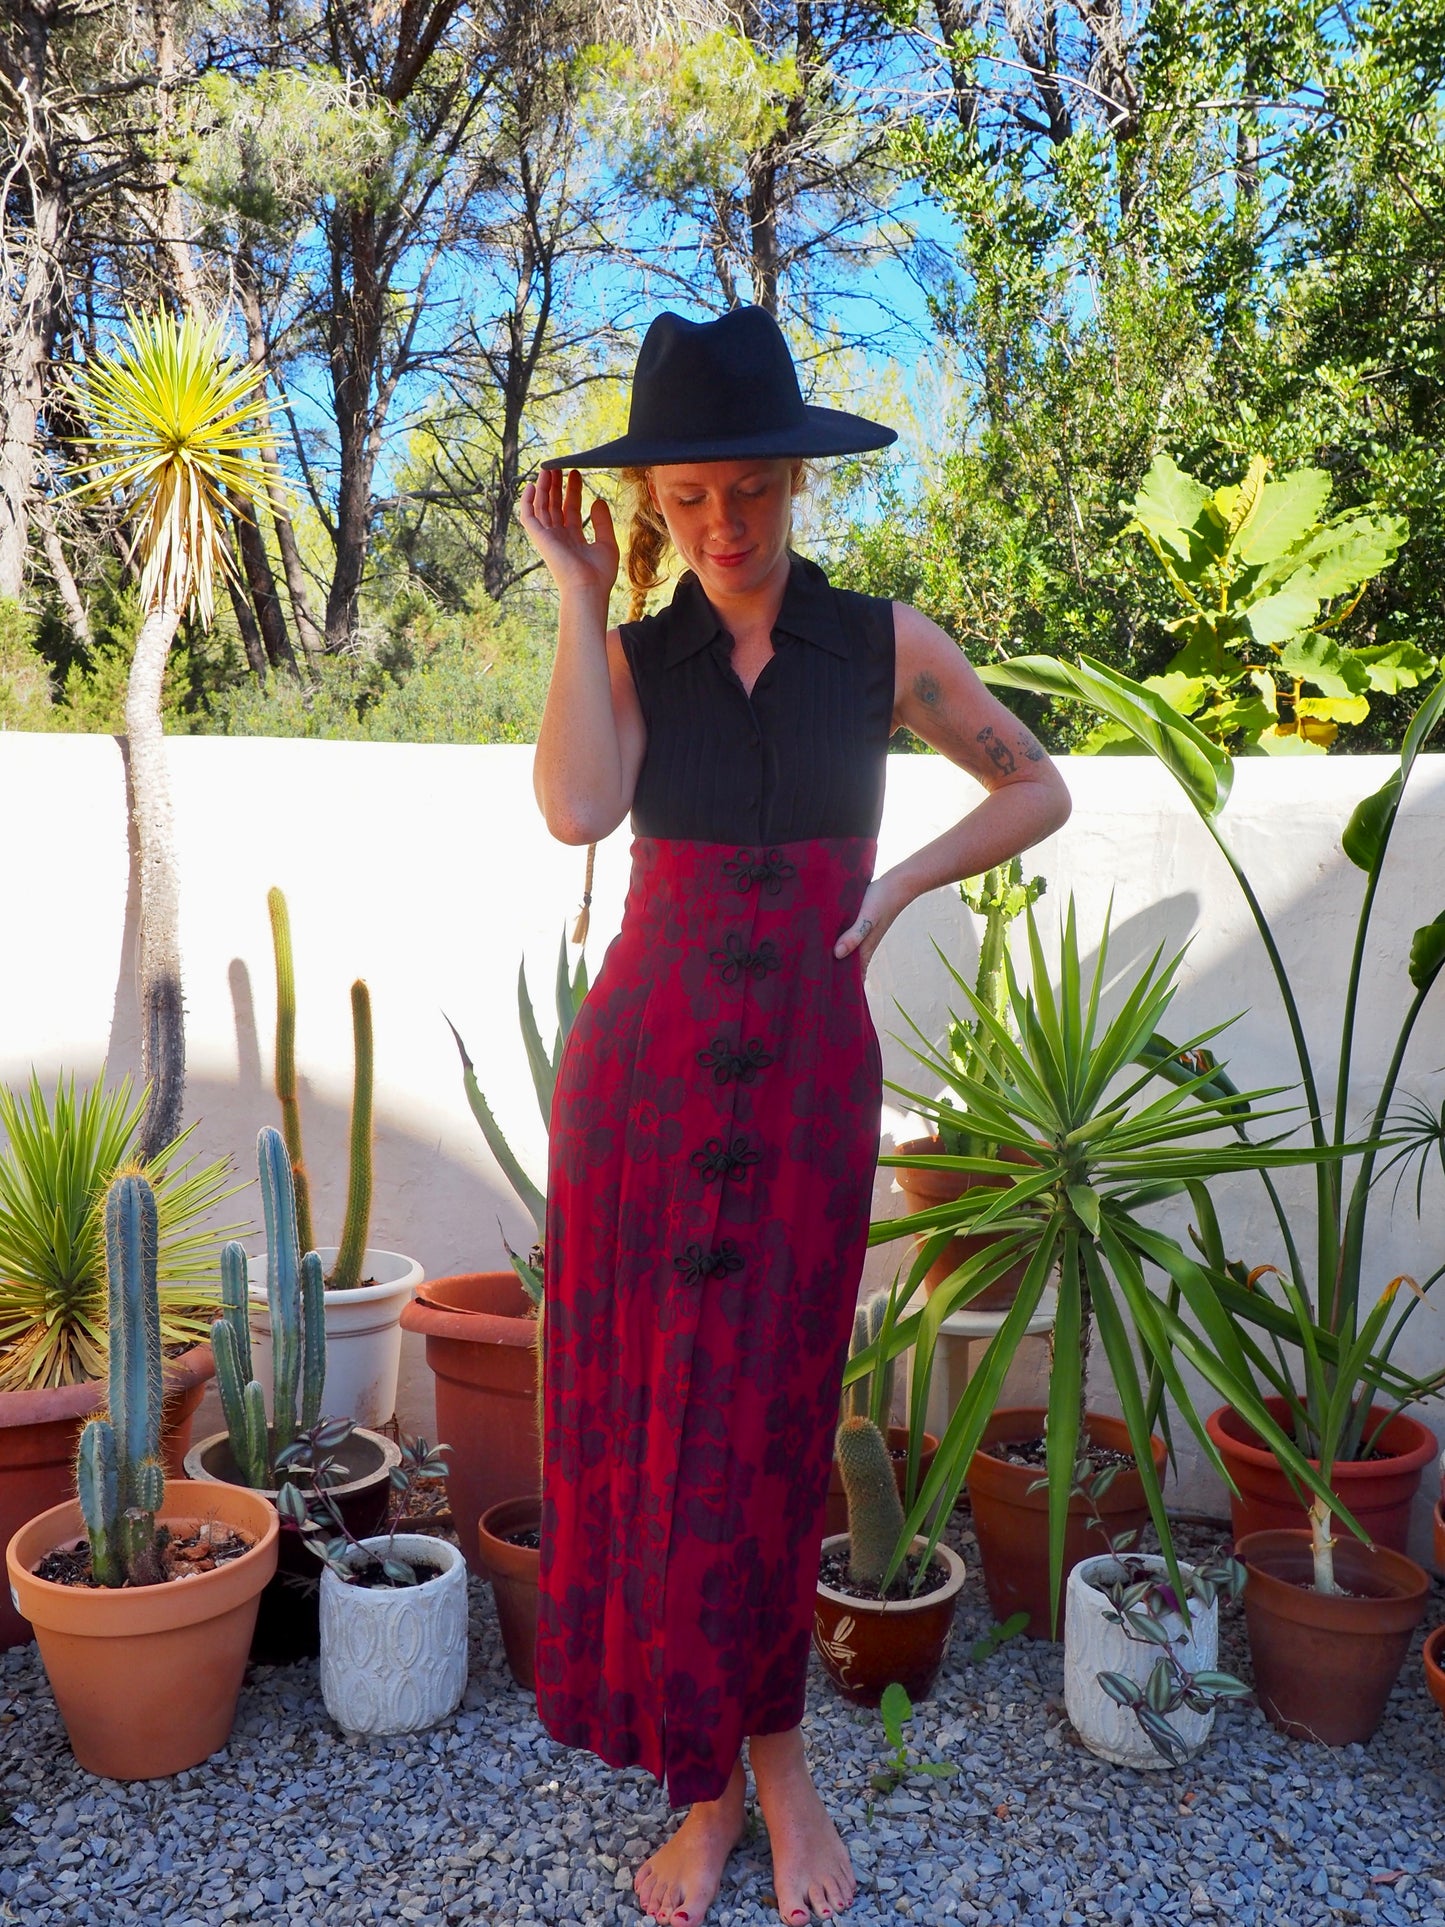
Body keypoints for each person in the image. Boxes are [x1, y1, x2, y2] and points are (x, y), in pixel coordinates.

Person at [518, 307, 1070, 1927]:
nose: (721, 525)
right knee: (651, 1431)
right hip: (640, 1081)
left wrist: (899, 880)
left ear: (793, 481)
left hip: (807, 1084)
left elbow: (1033, 782)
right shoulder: (636, 653)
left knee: (762, 1434)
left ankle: (780, 1770)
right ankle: (706, 1789)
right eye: (685, 499)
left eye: (744, 489)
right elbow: (574, 809)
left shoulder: (879, 644)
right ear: (656, 509)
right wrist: (577, 594)